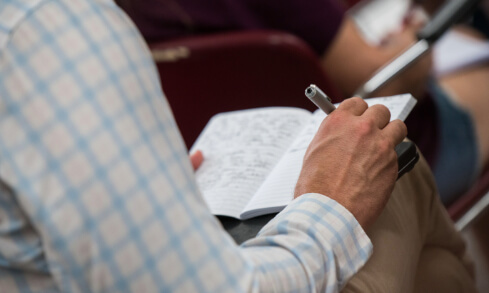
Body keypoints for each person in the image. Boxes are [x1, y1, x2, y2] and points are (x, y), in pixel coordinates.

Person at [0, 0, 476, 292]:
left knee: (434, 273)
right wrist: (332, 204)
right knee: (395, 168)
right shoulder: (48, 27)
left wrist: (137, 191)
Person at [118, 0, 489, 206]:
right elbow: (384, 81)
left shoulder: (112, 14)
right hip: (379, 167)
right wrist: (415, 42)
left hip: (239, 196)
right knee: (472, 46)